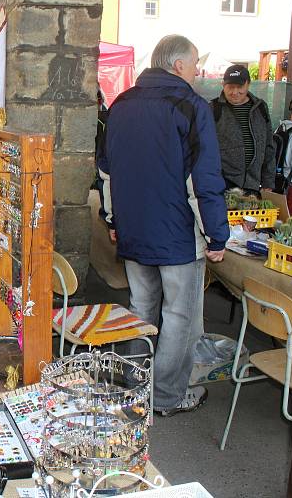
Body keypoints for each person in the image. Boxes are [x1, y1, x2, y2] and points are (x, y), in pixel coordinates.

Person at [98, 34, 228, 417]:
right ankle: (167, 397)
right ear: (178, 66)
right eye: (194, 64)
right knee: (178, 317)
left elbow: (106, 172)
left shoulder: (121, 105)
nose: (197, 72)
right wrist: (217, 234)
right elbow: (204, 179)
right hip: (177, 234)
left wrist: (112, 218)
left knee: (140, 307)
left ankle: (135, 385)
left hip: (133, 228)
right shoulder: (190, 106)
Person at [211, 65, 275, 195]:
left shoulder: (261, 108)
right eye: (230, 87)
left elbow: (269, 146)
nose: (235, 92)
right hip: (222, 185)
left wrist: (268, 181)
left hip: (253, 185)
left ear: (248, 84)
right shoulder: (213, 109)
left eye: (239, 87)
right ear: (222, 84)